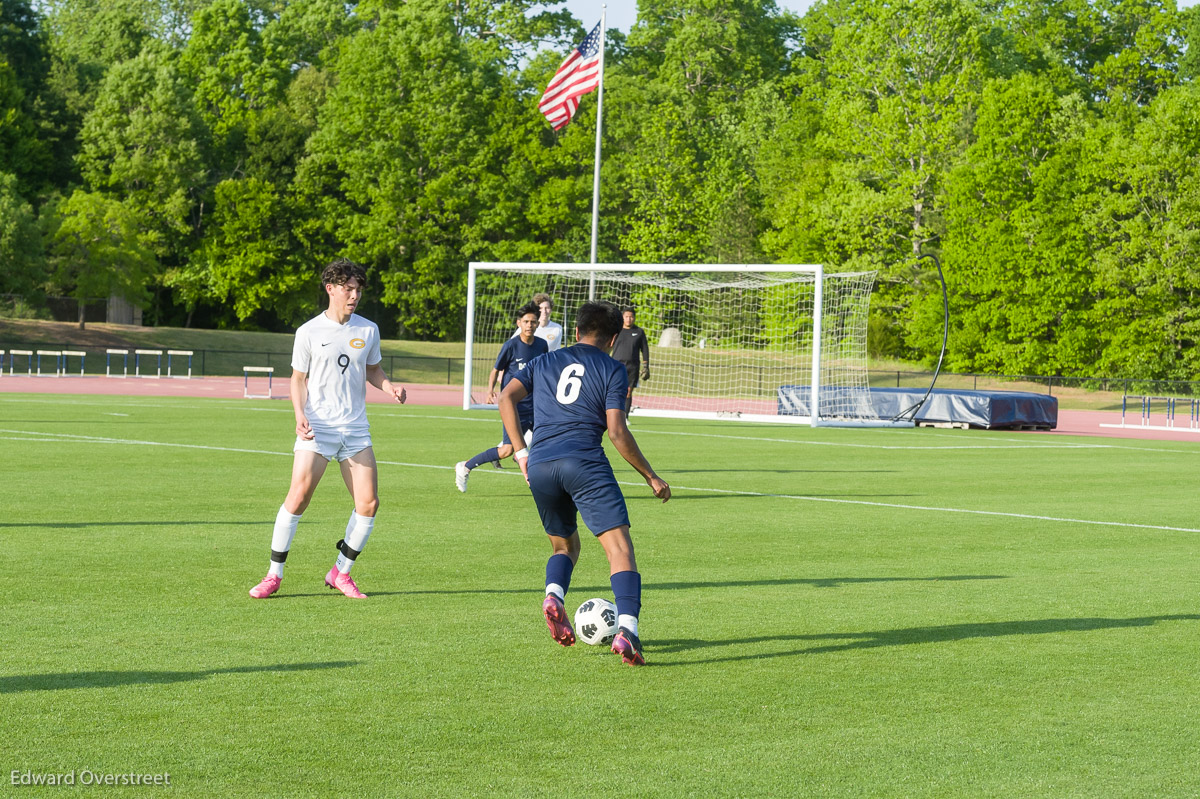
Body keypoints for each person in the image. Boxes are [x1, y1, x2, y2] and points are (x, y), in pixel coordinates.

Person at [498, 300, 671, 666]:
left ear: (575, 332)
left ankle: (554, 595)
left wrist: (520, 452)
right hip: (584, 462)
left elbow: (505, 397)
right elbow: (617, 431)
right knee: (619, 548)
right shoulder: (612, 368)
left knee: (565, 547)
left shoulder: (543, 361)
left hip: (541, 463)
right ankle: (628, 631)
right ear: (613, 338)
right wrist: (650, 475)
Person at [248, 258, 406, 600]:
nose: (354, 296)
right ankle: (273, 575)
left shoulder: (368, 330)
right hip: (318, 429)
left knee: (369, 504)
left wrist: (389, 387)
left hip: (355, 429)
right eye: (348, 289)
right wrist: (298, 414)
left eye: (358, 290)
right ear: (330, 288)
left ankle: (340, 572)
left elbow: (373, 370)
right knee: (298, 498)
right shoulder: (308, 331)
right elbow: (297, 379)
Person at [455, 301, 548, 492]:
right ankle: (465, 466)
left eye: (533, 322)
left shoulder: (542, 345)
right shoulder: (511, 346)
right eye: (526, 321)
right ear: (518, 323)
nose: (529, 325)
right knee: (506, 450)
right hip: (514, 407)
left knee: (547, 440)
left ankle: (545, 481)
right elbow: (496, 370)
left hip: (536, 405)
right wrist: (489, 391)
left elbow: (544, 371)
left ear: (538, 324)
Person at [611, 307, 650, 415]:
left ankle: (625, 416)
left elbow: (645, 349)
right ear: (623, 318)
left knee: (628, 392)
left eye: (631, 317)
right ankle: (611, 414)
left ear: (634, 318)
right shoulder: (616, 330)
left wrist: (646, 365)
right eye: (626, 316)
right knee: (614, 391)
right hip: (616, 365)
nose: (629, 319)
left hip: (632, 366)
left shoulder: (639, 332)